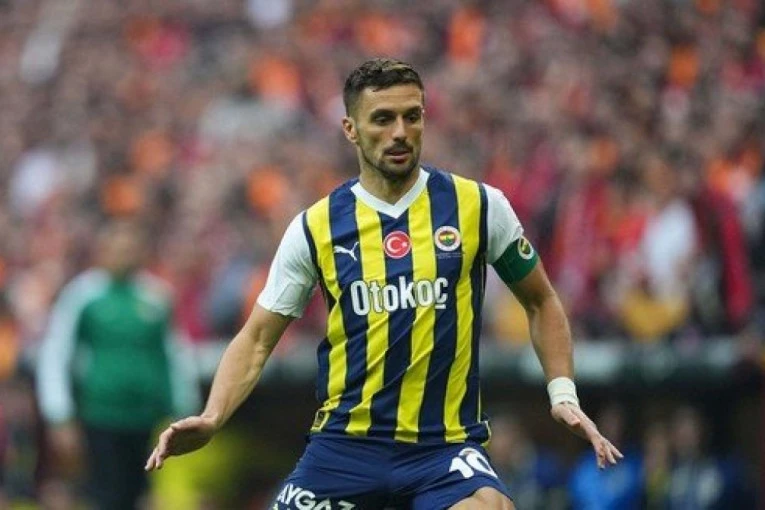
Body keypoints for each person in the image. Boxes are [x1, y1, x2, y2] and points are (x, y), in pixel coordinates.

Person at [145, 58, 623, 509]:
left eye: (412, 116)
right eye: (382, 119)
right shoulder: (316, 227)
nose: (399, 132)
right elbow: (256, 338)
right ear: (350, 129)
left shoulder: (479, 206)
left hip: (443, 447)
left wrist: (563, 394)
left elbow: (541, 300)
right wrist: (213, 416)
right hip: (343, 447)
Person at [37, 219, 199, 510]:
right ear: (102, 251)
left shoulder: (156, 296)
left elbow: (175, 355)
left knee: (142, 495)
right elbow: (56, 353)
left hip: (148, 417)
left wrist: (185, 408)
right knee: (106, 495)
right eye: (117, 248)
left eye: (130, 248)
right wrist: (59, 413)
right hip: (101, 414)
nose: (124, 255)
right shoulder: (83, 296)